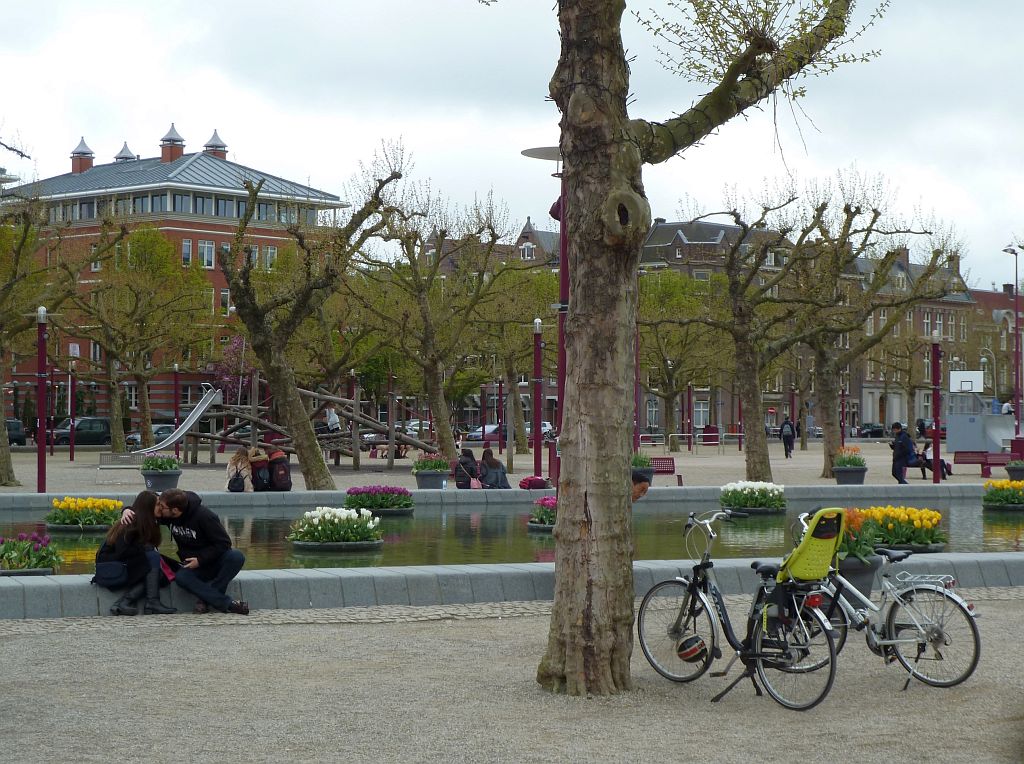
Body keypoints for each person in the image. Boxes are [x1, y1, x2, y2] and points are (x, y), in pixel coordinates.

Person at [126, 489, 249, 614]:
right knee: (181, 577)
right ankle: (227, 603)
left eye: (162, 507)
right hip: (191, 565)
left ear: (174, 510)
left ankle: (204, 600)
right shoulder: (168, 512)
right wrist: (126, 510)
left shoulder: (205, 516)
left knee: (236, 556)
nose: (160, 509)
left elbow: (224, 543)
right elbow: (146, 502)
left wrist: (200, 560)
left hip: (213, 561)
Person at [98, 490, 176, 616]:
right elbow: (121, 552)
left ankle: (125, 603)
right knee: (153, 557)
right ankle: (150, 602)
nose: (161, 508)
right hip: (112, 567)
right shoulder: (130, 523)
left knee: (162, 574)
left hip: (126, 563)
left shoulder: (150, 521)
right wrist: (146, 549)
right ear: (148, 507)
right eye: (157, 504)